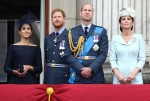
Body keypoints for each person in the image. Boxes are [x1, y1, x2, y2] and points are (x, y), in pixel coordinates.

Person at [65, 3, 108, 84]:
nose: (87, 12)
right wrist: (80, 68)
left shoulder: (101, 31)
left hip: (95, 75)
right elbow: (68, 54)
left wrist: (91, 68)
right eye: (85, 10)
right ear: (80, 13)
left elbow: (103, 54)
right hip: (78, 75)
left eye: (89, 10)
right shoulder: (71, 32)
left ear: (92, 14)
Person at [110, 8, 145, 84]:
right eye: (123, 19)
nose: (126, 21)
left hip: (136, 77)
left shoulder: (139, 38)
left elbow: (142, 58)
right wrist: (118, 75)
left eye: (128, 19)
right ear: (120, 23)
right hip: (119, 78)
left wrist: (133, 74)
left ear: (132, 22)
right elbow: (112, 59)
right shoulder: (115, 38)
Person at [4, 19, 42, 84]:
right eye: (23, 29)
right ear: (20, 32)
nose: (26, 31)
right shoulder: (12, 47)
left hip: (31, 82)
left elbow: (40, 69)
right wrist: (16, 71)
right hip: (15, 82)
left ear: (31, 32)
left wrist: (29, 67)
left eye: (28, 29)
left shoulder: (36, 48)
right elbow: (6, 68)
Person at [44, 8, 70, 84]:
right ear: (51, 20)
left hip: (63, 77)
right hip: (49, 76)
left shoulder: (70, 36)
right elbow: (47, 58)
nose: (57, 19)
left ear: (64, 19)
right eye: (54, 17)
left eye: (59, 17)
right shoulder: (48, 38)